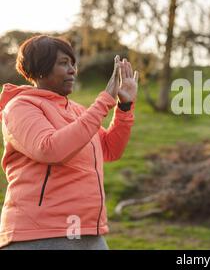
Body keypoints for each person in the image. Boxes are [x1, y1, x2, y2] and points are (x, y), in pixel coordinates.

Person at [0, 35, 138, 249]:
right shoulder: (20, 107)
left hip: (89, 232)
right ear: (40, 68)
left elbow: (110, 150)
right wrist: (103, 102)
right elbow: (50, 149)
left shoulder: (77, 111)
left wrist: (124, 107)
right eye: (63, 63)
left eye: (73, 64)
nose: (73, 70)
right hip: (40, 235)